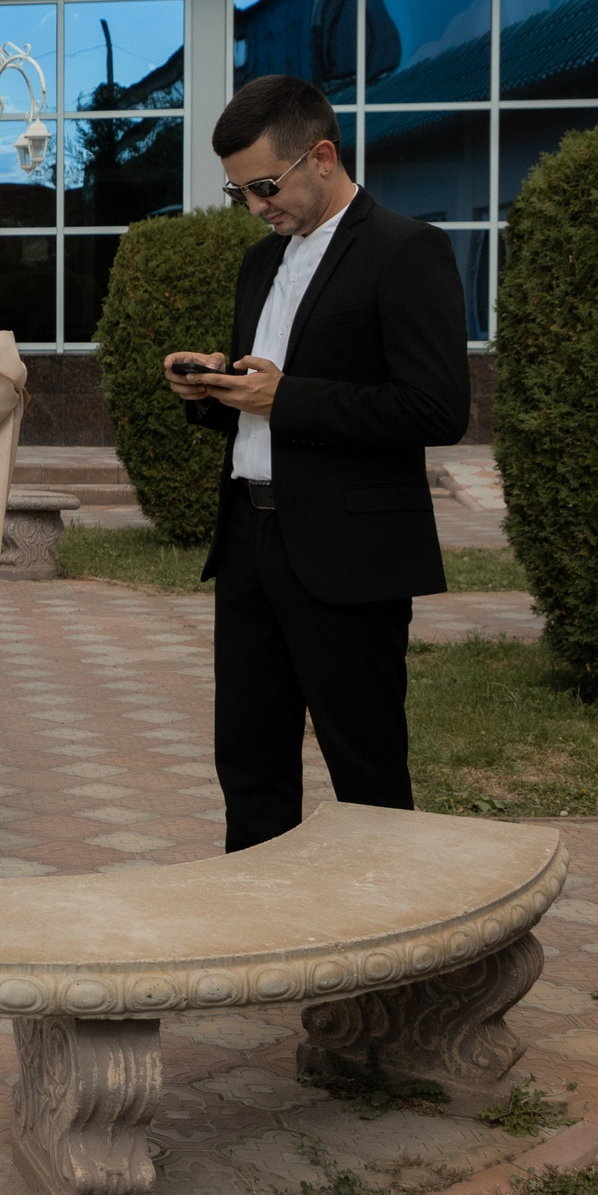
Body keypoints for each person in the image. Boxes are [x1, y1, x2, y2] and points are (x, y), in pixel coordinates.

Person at [164, 74, 470, 852]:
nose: (258, 206)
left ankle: (390, 949)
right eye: (241, 193)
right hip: (248, 546)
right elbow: (266, 395)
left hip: (350, 556)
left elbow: (437, 410)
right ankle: (262, 940)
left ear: (323, 155)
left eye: (265, 185)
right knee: (249, 763)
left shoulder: (407, 250)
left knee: (366, 775)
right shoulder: (260, 266)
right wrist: (211, 389)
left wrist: (286, 398)